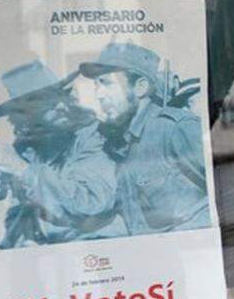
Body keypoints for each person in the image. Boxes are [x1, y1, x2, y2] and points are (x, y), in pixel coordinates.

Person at [0, 60, 122, 248]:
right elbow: (19, 210)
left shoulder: (94, 137)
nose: (60, 106)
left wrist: (21, 169)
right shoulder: (28, 148)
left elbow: (91, 203)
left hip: (97, 247)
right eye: (46, 102)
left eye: (61, 95)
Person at [79, 42, 211, 236]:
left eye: (107, 82)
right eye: (96, 85)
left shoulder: (175, 129)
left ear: (140, 87)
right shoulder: (119, 143)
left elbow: (228, 195)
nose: (99, 95)